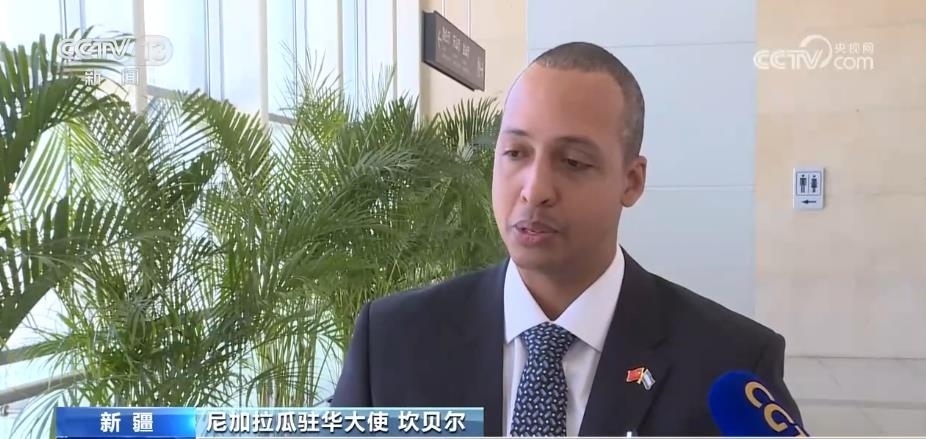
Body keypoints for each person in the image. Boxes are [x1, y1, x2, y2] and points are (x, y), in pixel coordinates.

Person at [331, 41, 803, 436]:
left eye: (573, 162)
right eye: (515, 153)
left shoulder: (730, 365)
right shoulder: (393, 342)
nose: (534, 189)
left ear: (631, 181)